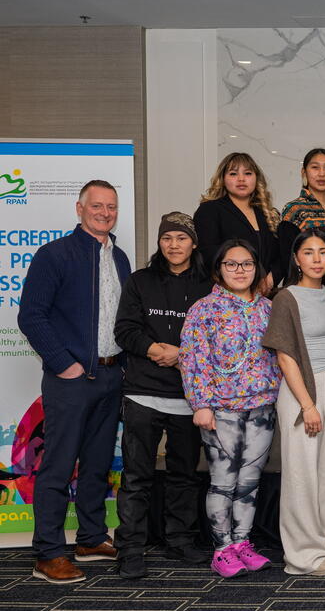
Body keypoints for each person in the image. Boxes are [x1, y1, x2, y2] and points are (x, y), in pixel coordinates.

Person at [19, 180, 131, 584]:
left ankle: (90, 538)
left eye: (112, 207)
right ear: (79, 209)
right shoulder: (54, 255)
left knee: (98, 464)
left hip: (110, 374)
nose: (105, 212)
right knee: (58, 465)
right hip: (70, 378)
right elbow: (31, 315)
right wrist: (63, 362)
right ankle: (48, 554)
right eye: (97, 205)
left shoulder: (119, 258)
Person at [113, 212, 212, 580]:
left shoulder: (208, 286)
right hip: (143, 394)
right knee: (137, 477)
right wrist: (159, 350)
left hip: (189, 397)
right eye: (167, 237)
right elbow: (125, 330)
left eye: (181, 238)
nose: (174, 245)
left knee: (184, 475)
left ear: (194, 243)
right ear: (159, 242)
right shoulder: (140, 281)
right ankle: (131, 549)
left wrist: (182, 355)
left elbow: (215, 340)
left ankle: (180, 540)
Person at [179, 240, 281, 579]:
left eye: (247, 264)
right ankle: (222, 549)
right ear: (219, 269)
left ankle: (242, 543)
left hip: (262, 408)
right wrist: (201, 404)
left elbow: (281, 357)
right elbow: (193, 360)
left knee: (250, 482)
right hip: (220, 410)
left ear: (257, 268)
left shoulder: (268, 308)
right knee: (223, 482)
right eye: (232, 264)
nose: (240, 271)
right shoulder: (203, 309)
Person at [262, 230, 325, 577]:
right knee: (301, 475)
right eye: (309, 252)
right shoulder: (286, 297)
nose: (317, 258)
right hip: (302, 390)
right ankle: (300, 556)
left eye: (323, 252)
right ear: (296, 259)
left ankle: (320, 545)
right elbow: (285, 355)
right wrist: (307, 405)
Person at [194, 152, 283, 289]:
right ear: (223, 178)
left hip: (264, 297)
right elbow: (207, 253)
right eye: (233, 174)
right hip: (225, 295)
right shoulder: (209, 210)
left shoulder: (269, 213)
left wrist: (269, 281)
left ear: (256, 178)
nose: (241, 179)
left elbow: (281, 256)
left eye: (247, 173)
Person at [277, 148, 325, 280]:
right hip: (305, 287)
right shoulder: (294, 209)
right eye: (315, 167)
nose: (321, 174)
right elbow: (288, 260)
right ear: (304, 172)